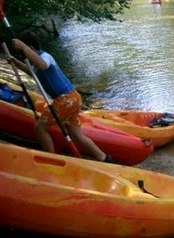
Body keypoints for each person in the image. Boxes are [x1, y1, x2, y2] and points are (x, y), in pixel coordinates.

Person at [8, 30, 112, 162]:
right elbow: (32, 72)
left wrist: (23, 46)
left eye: (24, 52)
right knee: (76, 135)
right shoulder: (37, 61)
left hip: (65, 99)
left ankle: (51, 158)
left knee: (39, 128)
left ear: (31, 48)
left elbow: (43, 66)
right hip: (72, 98)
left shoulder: (45, 56)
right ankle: (104, 157)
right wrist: (16, 62)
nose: (25, 55)